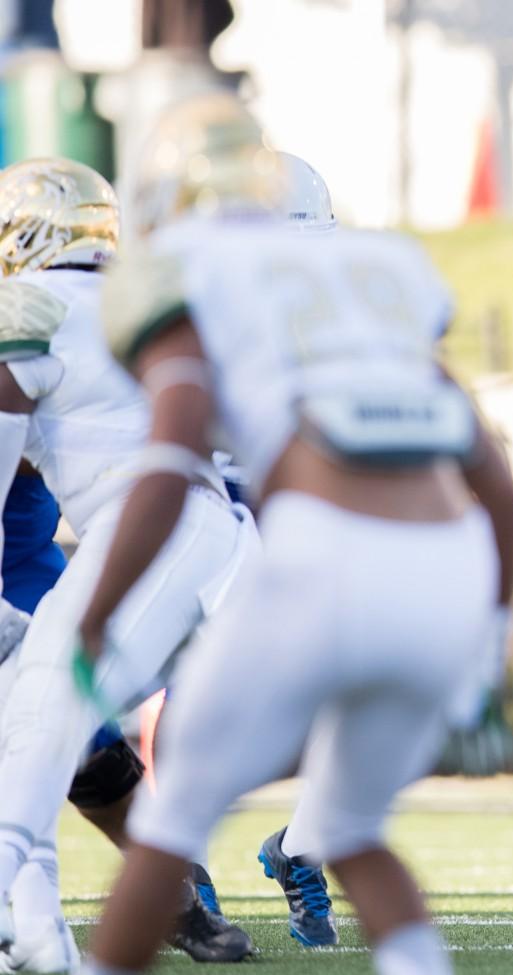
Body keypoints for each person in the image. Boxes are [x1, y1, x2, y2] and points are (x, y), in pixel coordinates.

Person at [76, 91, 513, 975]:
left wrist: (95, 616)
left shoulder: (194, 271)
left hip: (319, 556)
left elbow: (169, 461)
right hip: (449, 570)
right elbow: (488, 469)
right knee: (355, 831)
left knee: (166, 829)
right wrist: (493, 628)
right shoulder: (378, 274)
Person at [0, 157, 256, 963]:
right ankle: (38, 934)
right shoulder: (142, 299)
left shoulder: (30, 305)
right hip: (224, 545)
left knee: (48, 710)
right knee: (38, 723)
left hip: (155, 534)